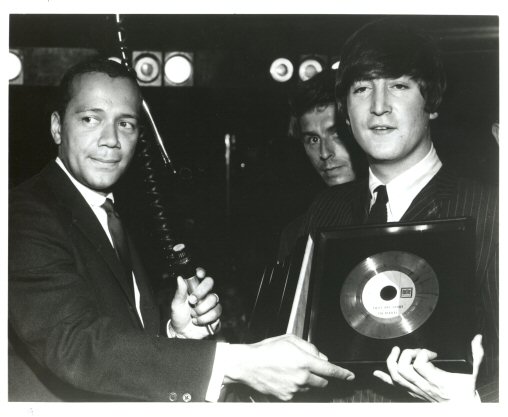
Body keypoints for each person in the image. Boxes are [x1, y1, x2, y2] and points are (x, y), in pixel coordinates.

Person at [8, 57, 354, 402]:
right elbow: (75, 345)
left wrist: (179, 333)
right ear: (57, 127)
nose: (111, 139)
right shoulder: (22, 214)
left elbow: (120, 343)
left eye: (126, 123)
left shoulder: (108, 211)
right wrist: (235, 362)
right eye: (89, 119)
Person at [288, 19, 498, 402]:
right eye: (362, 88)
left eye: (399, 86)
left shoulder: (493, 212)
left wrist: (478, 402)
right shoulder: (322, 214)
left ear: (431, 102)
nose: (379, 107)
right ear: (346, 112)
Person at [277, 70, 366, 261]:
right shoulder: (296, 235)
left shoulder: (396, 211)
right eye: (313, 139)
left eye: (337, 134)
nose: (325, 153)